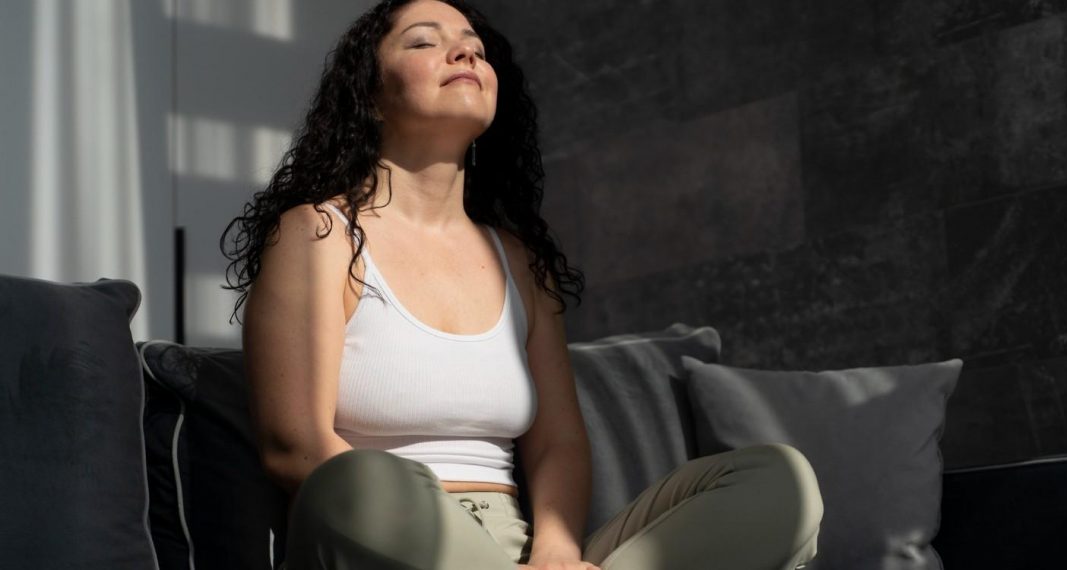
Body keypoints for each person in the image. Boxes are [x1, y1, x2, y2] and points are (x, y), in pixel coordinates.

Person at [220, 1, 824, 568]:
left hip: (518, 547)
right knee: (361, 480)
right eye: (426, 42)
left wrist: (557, 551)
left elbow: (559, 442)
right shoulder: (320, 233)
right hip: (386, 535)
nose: (466, 56)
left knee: (778, 479)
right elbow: (294, 445)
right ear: (370, 96)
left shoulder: (519, 262)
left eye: (475, 48)